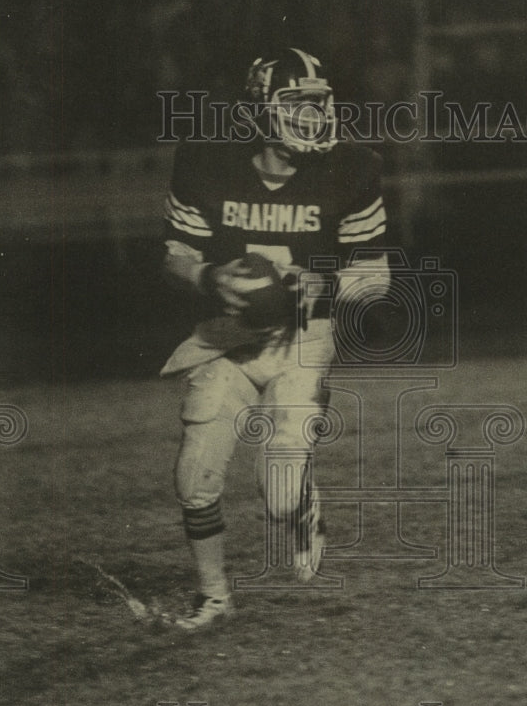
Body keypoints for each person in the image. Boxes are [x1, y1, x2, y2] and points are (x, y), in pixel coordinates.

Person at [159, 48, 390, 630]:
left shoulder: (351, 168)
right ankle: (213, 596)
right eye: (297, 105)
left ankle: (302, 502)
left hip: (303, 339)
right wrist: (209, 276)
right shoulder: (207, 163)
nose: (313, 119)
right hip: (225, 338)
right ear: (261, 108)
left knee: (280, 495)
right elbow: (175, 256)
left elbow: (375, 277)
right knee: (195, 478)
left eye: (319, 105)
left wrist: (309, 289)